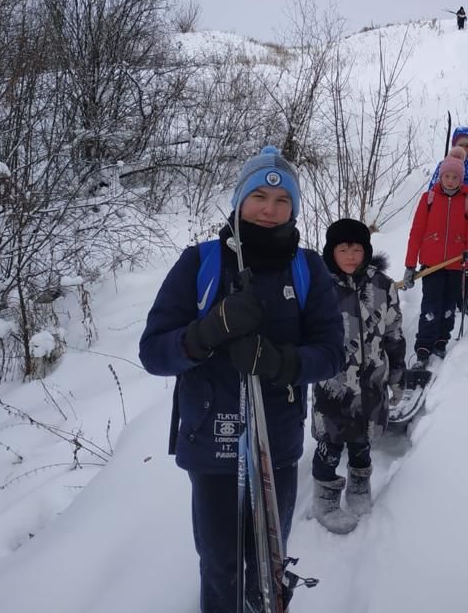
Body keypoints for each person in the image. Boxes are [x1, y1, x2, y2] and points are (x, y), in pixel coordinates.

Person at [138, 145, 344, 613]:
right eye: (258, 197)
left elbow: (331, 353)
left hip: (278, 443)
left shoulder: (308, 268)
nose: (269, 211)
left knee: (268, 561)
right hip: (211, 442)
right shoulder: (201, 263)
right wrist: (208, 332)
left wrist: (279, 362)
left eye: (282, 202)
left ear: (293, 208)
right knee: (218, 564)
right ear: (238, 200)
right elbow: (154, 352)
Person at [311, 218, 406, 534]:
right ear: (331, 252)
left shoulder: (383, 286)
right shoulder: (319, 287)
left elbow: (393, 333)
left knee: (362, 444)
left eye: (357, 248)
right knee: (330, 445)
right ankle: (324, 499)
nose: (350, 255)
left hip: (371, 386)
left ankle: (359, 487)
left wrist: (395, 377)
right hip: (333, 387)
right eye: (343, 248)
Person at [403, 152, 468, 366]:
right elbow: (416, 232)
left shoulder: (467, 202)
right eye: (447, 176)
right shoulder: (428, 199)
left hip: (456, 264)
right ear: (441, 176)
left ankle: (441, 341)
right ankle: (424, 345)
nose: (451, 181)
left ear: (461, 179)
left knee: (448, 305)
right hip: (432, 264)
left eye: (456, 177)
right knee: (431, 304)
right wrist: (410, 265)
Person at [427, 126, 468, 214]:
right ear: (454, 146)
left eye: (467, 146)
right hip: (445, 216)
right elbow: (432, 191)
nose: (464, 149)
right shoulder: (444, 165)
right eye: (460, 145)